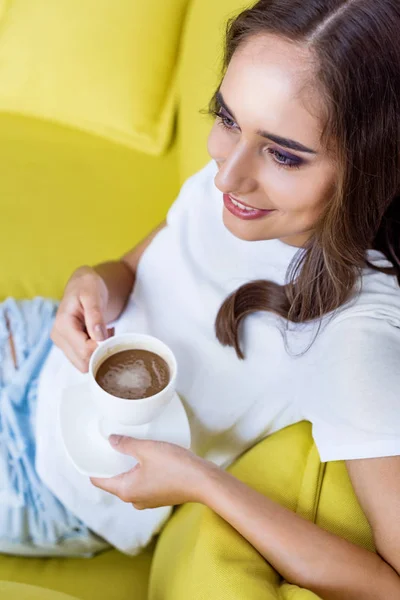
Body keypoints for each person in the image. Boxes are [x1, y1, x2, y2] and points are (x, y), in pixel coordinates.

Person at [1, 0, 400, 595]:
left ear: (376, 163)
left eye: (284, 154)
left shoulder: (356, 332)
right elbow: (136, 266)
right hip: (27, 341)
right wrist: (92, 282)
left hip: (44, 480)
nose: (225, 175)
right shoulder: (240, 192)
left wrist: (200, 483)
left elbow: (387, 581)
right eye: (228, 117)